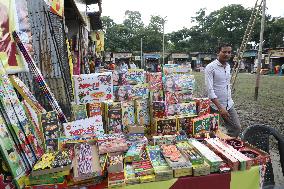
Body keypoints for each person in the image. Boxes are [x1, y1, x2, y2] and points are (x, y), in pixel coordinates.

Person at [204, 43, 241, 138]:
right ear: (218, 53)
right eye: (224, 52)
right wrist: (220, 108)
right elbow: (210, 90)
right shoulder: (210, 67)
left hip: (229, 104)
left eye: (229, 52)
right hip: (215, 107)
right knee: (214, 132)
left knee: (236, 128)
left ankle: (227, 145)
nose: (227, 54)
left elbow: (226, 83)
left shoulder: (228, 66)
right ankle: (217, 148)